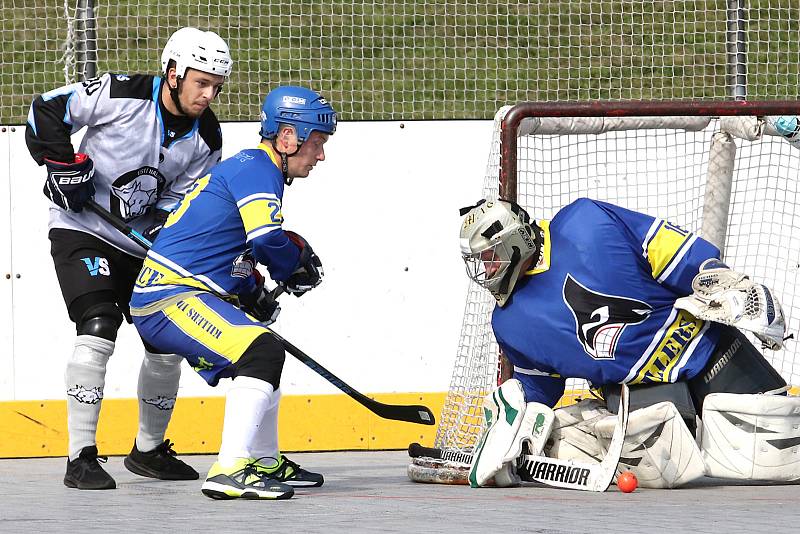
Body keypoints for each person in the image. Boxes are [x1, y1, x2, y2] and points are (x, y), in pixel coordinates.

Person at [458, 197, 797, 489]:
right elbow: (540, 388)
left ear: (514, 242)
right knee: (665, 468)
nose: (485, 270)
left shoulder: (585, 222)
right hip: (638, 400)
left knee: (776, 456)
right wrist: (513, 428)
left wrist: (720, 279)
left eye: (489, 256)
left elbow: (669, 250)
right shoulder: (509, 322)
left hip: (708, 352)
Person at [25, 27, 233, 490]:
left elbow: (184, 200)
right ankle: (80, 456)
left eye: (216, 86)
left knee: (165, 340)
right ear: (173, 72)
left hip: (139, 248)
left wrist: (163, 228)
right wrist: (62, 165)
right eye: (201, 82)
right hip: (83, 231)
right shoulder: (121, 93)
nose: (208, 94)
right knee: (99, 324)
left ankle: (149, 450)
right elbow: (47, 108)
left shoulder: (208, 135)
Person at [129, 85, 337, 500]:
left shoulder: (252, 169)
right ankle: (230, 468)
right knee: (261, 350)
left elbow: (231, 252)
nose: (321, 155)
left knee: (263, 349)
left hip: (180, 294)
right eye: (316, 142)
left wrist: (253, 291)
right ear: (287, 137)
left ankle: (262, 460)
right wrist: (290, 265)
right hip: (168, 298)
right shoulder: (257, 169)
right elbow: (265, 240)